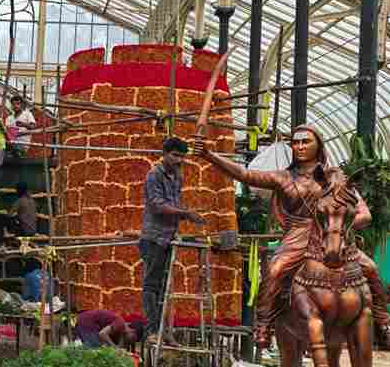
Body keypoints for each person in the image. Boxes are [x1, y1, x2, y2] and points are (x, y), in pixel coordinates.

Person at [193, 124, 390, 349]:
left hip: (332, 236)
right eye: (295, 142)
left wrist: (338, 225)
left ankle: (383, 323)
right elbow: (245, 175)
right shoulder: (283, 177)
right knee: (276, 268)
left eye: (306, 141)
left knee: (372, 268)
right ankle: (264, 323)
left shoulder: (336, 177)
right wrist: (209, 155)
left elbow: (365, 214)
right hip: (297, 236)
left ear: (319, 145)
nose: (299, 146)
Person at [138, 137, 206, 346]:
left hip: (168, 238)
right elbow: (158, 205)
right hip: (154, 238)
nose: (179, 160)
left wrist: (184, 215)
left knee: (164, 287)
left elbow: (173, 204)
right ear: (165, 153)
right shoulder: (154, 175)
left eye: (182, 157)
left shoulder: (177, 176)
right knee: (151, 286)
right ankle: (152, 331)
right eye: (175, 155)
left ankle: (163, 330)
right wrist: (187, 214)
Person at [74, 309, 142, 348]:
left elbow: (120, 346)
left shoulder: (122, 333)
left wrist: (119, 349)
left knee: (92, 349)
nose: (132, 341)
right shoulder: (120, 323)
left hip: (83, 321)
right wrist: (115, 348)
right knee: (95, 349)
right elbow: (102, 334)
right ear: (132, 331)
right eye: (133, 339)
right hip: (87, 321)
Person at [0, 182, 37, 248]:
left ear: (19, 191)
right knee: (16, 220)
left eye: (17, 190)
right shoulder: (32, 200)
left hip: (24, 231)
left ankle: (2, 239)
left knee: (3, 219)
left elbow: (9, 214)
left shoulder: (20, 201)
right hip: (33, 230)